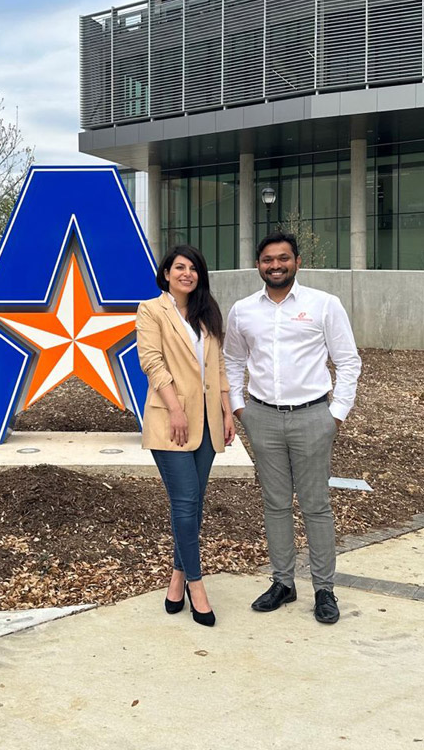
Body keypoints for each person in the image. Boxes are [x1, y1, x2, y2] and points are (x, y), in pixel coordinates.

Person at [223, 232, 361, 625]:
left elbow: (348, 361)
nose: (276, 265)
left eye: (283, 258)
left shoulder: (324, 305)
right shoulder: (243, 310)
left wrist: (336, 414)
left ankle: (324, 589)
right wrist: (239, 408)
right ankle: (283, 582)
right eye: (268, 259)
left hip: (313, 417)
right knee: (276, 505)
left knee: (316, 506)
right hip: (262, 417)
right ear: (258, 265)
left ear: (297, 262)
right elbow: (232, 360)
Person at [136, 245, 235, 627]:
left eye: (194, 268)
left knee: (193, 504)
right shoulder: (150, 310)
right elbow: (152, 362)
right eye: (179, 267)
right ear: (165, 274)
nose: (187, 273)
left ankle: (176, 577)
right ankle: (196, 584)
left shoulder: (207, 313)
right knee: (185, 501)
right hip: (170, 422)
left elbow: (219, 365)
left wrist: (227, 413)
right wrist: (176, 408)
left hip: (209, 422)